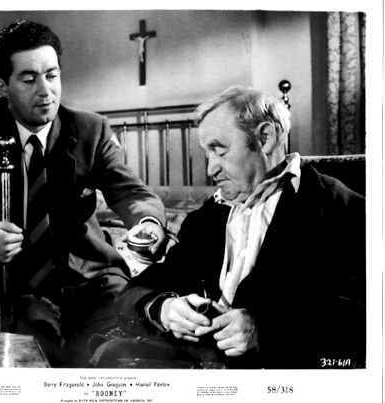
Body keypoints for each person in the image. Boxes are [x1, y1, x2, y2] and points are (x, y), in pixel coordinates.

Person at [0, 20, 167, 368]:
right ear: (2, 86)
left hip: (92, 282)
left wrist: (148, 224)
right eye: (29, 79)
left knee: (116, 354)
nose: (45, 91)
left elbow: (130, 193)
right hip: (14, 287)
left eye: (52, 75)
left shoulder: (90, 129)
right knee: (33, 357)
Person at [90, 86, 366, 369]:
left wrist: (265, 330)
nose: (211, 170)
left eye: (219, 150)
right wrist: (165, 308)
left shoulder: (340, 207)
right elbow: (141, 288)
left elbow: (366, 310)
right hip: (200, 358)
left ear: (265, 138)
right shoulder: (208, 216)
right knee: (112, 354)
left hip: (277, 365)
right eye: (207, 154)